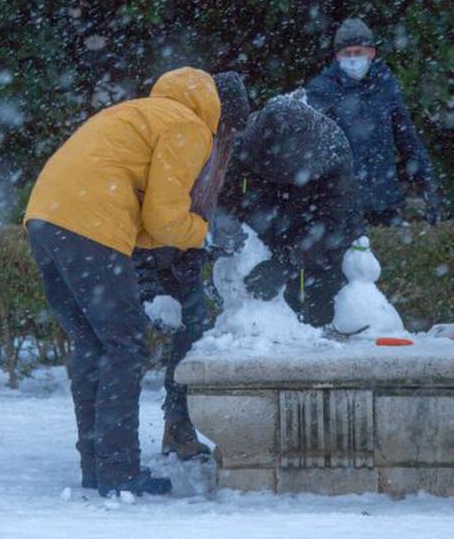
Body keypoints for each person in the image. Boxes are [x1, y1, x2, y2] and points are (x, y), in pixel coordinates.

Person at [24, 67, 246, 497]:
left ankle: (96, 467)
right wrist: (207, 234)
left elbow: (145, 221)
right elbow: (165, 221)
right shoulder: (190, 127)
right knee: (124, 346)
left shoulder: (142, 111)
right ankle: (120, 471)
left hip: (44, 219)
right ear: (215, 109)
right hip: (89, 225)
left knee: (93, 344)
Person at [133, 72, 248, 461]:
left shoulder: (219, 145)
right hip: (141, 248)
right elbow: (154, 204)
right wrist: (148, 281)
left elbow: (200, 207)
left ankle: (178, 425)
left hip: (181, 249)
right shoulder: (181, 131)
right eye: (228, 126)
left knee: (192, 329)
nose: (229, 136)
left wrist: (197, 251)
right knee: (123, 344)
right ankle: (115, 443)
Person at [220, 93, 366, 328]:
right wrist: (227, 230)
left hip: (321, 240)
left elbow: (333, 222)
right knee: (269, 318)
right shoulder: (248, 140)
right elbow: (229, 194)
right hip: (270, 225)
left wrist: (286, 263)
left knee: (325, 312)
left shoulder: (333, 149)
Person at [305, 17, 442, 226]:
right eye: (347, 54)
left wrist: (427, 184)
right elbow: (312, 149)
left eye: (358, 52)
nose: (353, 59)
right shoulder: (321, 91)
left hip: (384, 201)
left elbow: (407, 139)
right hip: (341, 205)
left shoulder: (385, 86)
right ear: (337, 56)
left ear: (371, 53)